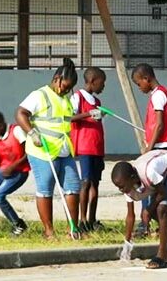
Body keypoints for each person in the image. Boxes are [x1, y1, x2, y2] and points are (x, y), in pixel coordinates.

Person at [15, 57, 82, 239]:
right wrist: (32, 133)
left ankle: (73, 230)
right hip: (42, 151)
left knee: (73, 187)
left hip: (63, 149)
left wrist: (88, 115)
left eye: (69, 88)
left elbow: (65, 120)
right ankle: (48, 231)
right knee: (45, 189)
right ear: (57, 78)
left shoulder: (65, 99)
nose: (66, 90)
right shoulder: (39, 95)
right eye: (65, 86)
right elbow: (20, 113)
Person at [111, 150, 167, 269]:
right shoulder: (127, 187)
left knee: (161, 209)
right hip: (157, 178)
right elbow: (130, 216)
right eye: (118, 187)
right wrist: (127, 243)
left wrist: (148, 209)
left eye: (122, 186)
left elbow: (163, 192)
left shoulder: (148, 172)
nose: (121, 190)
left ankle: (162, 257)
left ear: (132, 178)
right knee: (153, 211)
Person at [131, 63, 167, 235]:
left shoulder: (158, 95)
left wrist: (149, 149)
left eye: (139, 83)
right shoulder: (158, 94)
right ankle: (152, 222)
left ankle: (146, 223)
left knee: (147, 183)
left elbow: (159, 125)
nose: (139, 87)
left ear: (147, 78)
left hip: (161, 147)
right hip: (159, 146)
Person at [70, 67, 107, 232]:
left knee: (95, 183)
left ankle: (92, 219)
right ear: (92, 81)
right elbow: (70, 117)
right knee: (85, 182)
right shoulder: (77, 97)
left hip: (97, 146)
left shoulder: (97, 102)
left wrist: (99, 115)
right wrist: (88, 114)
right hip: (84, 146)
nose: (103, 86)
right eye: (102, 82)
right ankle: (82, 219)